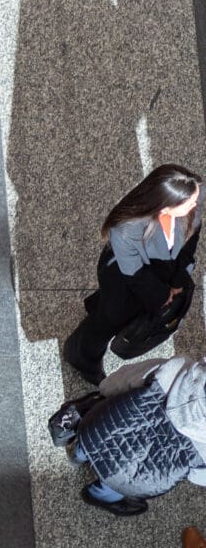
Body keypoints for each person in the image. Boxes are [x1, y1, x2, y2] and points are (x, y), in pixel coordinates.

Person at [62, 164, 202, 385]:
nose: (196, 204)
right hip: (125, 283)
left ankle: (98, 306)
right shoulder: (127, 228)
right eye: (190, 202)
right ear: (165, 205)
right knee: (108, 321)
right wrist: (163, 295)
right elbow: (134, 274)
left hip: (159, 277)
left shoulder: (191, 197)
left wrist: (177, 281)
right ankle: (82, 358)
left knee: (111, 310)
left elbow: (189, 244)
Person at [65, 355, 206, 516]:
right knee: (122, 482)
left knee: (93, 434)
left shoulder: (179, 367)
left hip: (100, 428)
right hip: (136, 477)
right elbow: (196, 476)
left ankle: (77, 455)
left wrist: (104, 390)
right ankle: (96, 495)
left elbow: (122, 380)